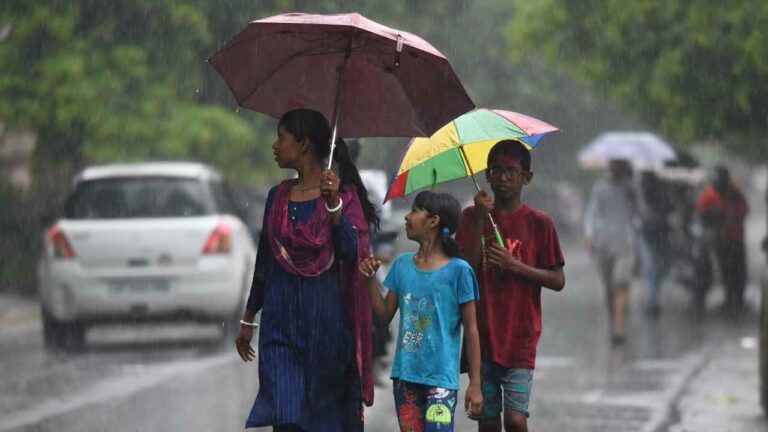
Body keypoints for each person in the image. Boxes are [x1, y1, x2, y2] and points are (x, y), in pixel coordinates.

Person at [234, 109, 379, 431]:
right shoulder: (277, 197)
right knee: (286, 418)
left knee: (323, 422)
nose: (274, 146)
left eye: (280, 138)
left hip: (325, 325)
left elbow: (349, 253)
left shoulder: (341, 198)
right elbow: (265, 262)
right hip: (280, 324)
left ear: (303, 145)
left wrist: (334, 207)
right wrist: (248, 317)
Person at [457, 139, 566, 432]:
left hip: (521, 335)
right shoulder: (471, 217)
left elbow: (558, 280)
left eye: (511, 172)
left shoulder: (540, 224)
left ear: (526, 177)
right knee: (488, 420)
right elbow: (464, 269)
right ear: (487, 175)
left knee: (516, 420)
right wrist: (480, 219)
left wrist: (515, 266)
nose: (502, 179)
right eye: (495, 171)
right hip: (481, 335)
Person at [359, 190, 484, 432]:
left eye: (415, 210)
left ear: (434, 221)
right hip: (405, 377)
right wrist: (370, 281)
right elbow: (383, 316)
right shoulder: (403, 265)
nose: (407, 217)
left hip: (441, 380)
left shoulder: (460, 271)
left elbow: (471, 329)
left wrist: (475, 383)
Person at [583, 158, 636, 345]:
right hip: (604, 244)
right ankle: (615, 318)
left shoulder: (631, 188)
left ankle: (618, 327)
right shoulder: (600, 188)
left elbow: (637, 213)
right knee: (609, 288)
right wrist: (589, 234)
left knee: (620, 284)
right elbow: (592, 211)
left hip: (625, 243)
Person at [695, 165, 749, 313]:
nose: (720, 181)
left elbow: (744, 211)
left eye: (723, 178)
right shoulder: (708, 195)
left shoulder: (735, 193)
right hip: (721, 239)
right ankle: (730, 298)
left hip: (736, 237)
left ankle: (737, 298)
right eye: (718, 178)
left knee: (738, 270)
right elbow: (701, 214)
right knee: (727, 270)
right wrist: (714, 216)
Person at [636, 170, 674, 315]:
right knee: (652, 268)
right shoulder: (639, 194)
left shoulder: (662, 192)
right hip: (649, 233)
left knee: (658, 267)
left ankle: (653, 298)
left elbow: (670, 207)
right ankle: (652, 301)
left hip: (660, 233)